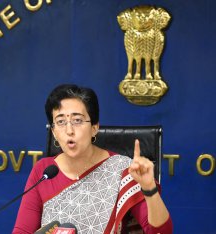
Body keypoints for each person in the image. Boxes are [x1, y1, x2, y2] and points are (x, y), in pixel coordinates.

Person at [13, 84, 173, 233]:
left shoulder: (124, 170)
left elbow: (161, 232)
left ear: (94, 128)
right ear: (54, 132)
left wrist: (149, 189)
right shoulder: (44, 172)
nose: (69, 130)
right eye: (60, 122)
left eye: (77, 120)